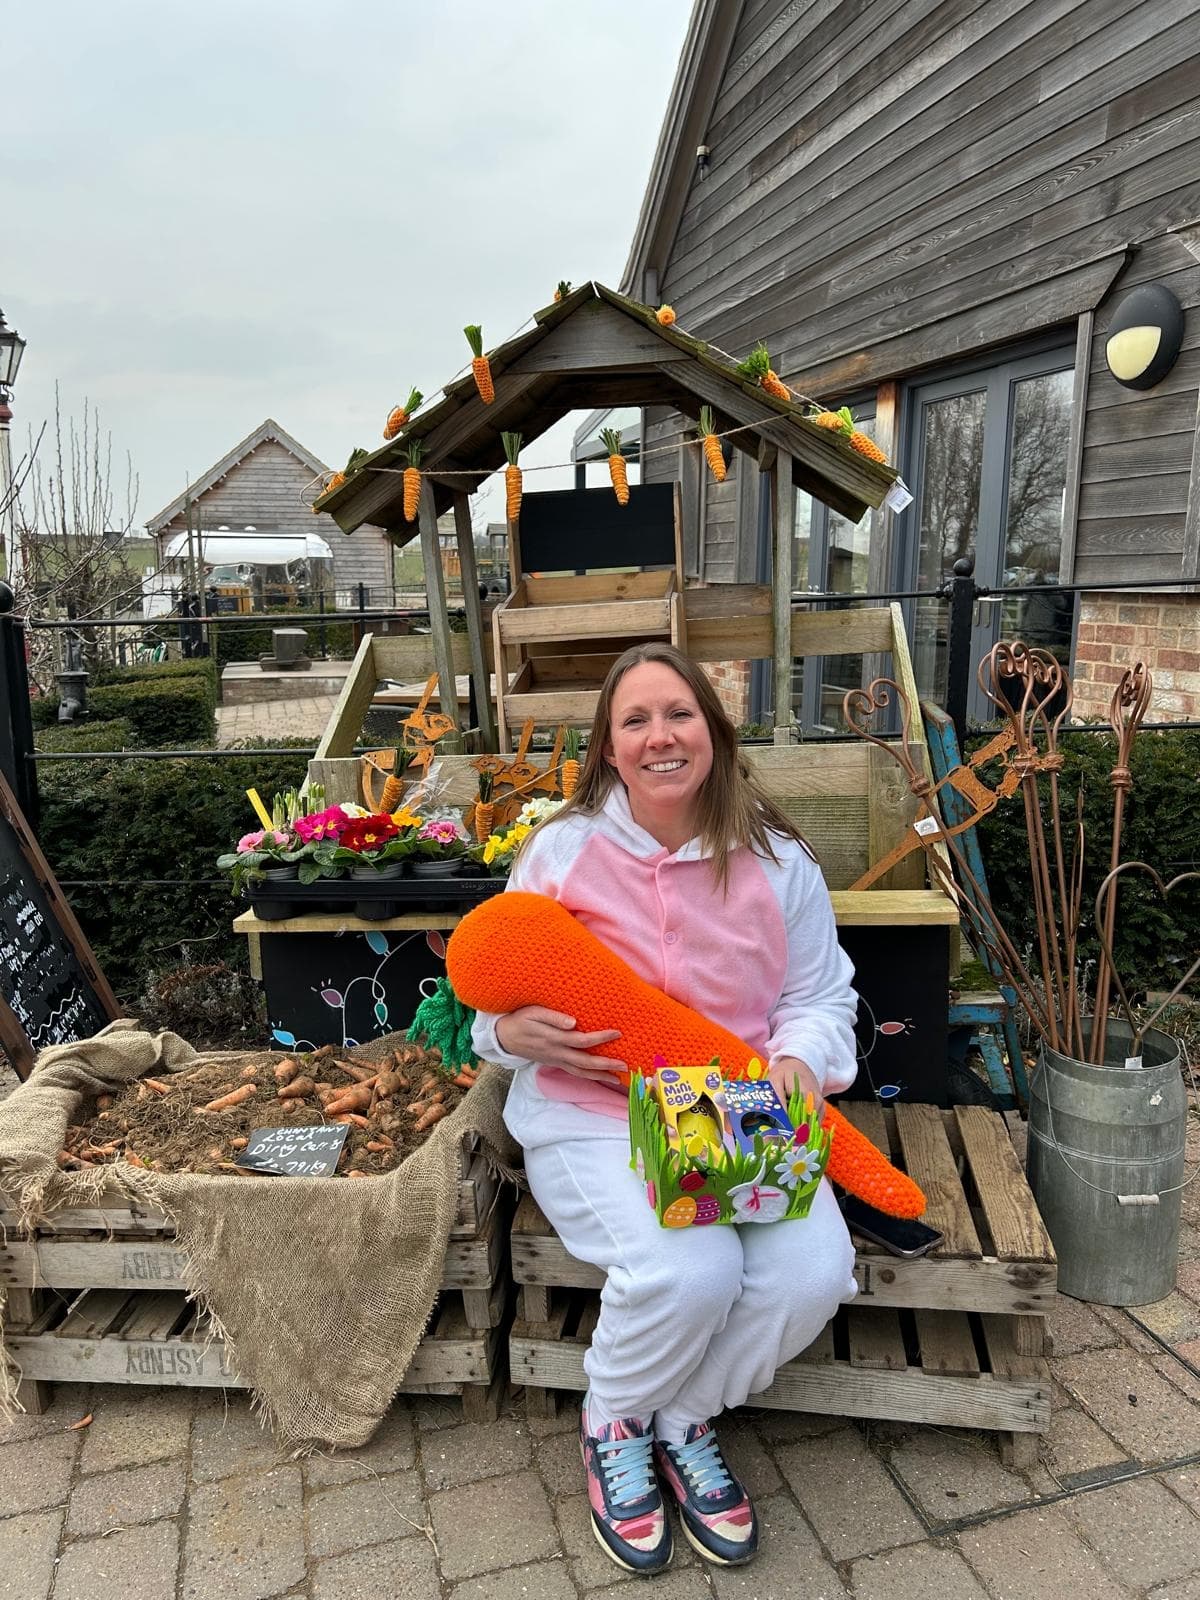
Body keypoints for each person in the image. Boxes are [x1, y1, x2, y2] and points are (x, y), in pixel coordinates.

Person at [471, 642, 859, 1575]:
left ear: (714, 733)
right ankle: (612, 1423)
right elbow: (488, 1003)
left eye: (678, 714)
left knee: (814, 1269)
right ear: (608, 747)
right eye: (635, 721)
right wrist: (509, 1038)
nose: (660, 737)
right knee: (689, 1271)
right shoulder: (561, 852)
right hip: (592, 1109)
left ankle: (683, 1419)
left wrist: (802, 1058)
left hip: (731, 1109)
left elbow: (819, 995)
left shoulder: (778, 858)